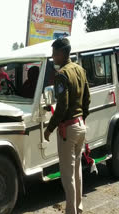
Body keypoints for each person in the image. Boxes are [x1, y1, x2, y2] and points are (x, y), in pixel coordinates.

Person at [44, 38, 91, 214]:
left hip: (68, 129)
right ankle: (78, 208)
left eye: (55, 54)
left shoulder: (62, 75)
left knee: (67, 175)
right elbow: (87, 99)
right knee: (77, 171)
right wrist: (81, 118)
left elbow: (62, 106)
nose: (53, 57)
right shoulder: (80, 70)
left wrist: (49, 128)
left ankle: (71, 211)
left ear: (63, 53)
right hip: (80, 126)